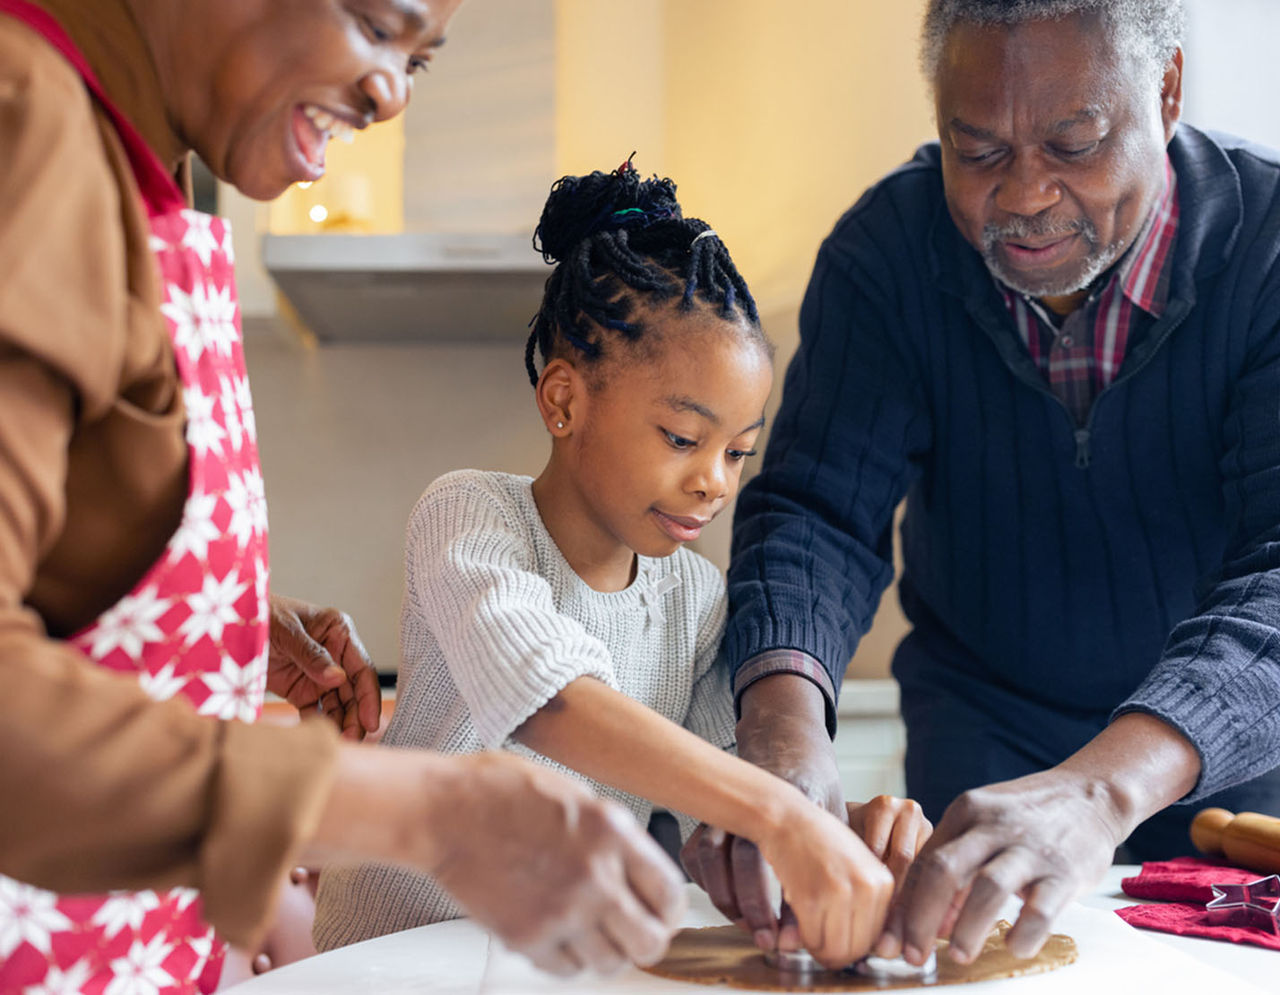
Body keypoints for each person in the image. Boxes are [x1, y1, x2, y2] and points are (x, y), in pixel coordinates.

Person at [0, 1, 690, 990]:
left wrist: (216, 631)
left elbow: (60, 535)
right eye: (375, 24)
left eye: (421, 62)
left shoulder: (150, 161)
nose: (389, 94)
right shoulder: (24, 118)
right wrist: (422, 810)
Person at [687, 0, 1280, 973]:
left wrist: (1098, 790)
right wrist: (780, 740)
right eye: (977, 151)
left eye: (1071, 141)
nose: (1022, 195)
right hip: (982, 742)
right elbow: (816, 515)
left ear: (1164, 89)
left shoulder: (1264, 247)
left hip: (1231, 770)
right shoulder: (886, 254)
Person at [312, 160, 931, 970]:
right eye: (683, 438)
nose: (715, 479)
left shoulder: (696, 597)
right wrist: (784, 817)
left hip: (550, 963)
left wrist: (850, 828)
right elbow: (551, 701)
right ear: (563, 401)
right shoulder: (469, 514)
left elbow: (737, 791)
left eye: (739, 451)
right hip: (390, 958)